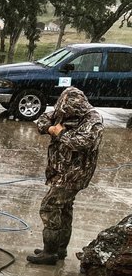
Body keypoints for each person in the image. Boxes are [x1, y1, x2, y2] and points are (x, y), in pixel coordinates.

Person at [26, 86, 103, 265]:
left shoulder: (93, 120)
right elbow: (43, 119)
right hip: (60, 170)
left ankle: (50, 252)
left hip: (75, 173)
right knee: (64, 207)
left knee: (50, 206)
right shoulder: (63, 111)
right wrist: (50, 128)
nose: (62, 115)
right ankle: (59, 249)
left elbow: (83, 143)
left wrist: (60, 133)